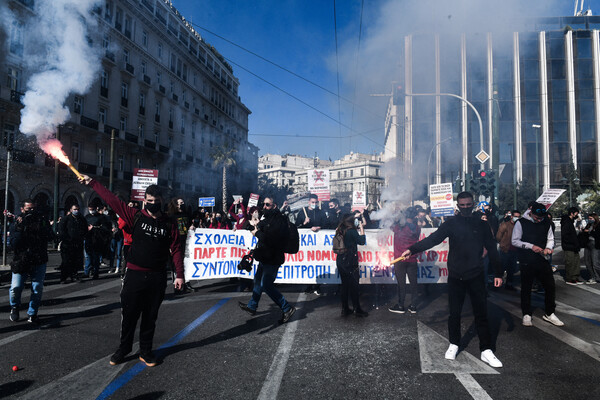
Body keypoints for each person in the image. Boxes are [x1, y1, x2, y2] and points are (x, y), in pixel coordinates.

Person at [79, 174, 184, 367]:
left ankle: (145, 351)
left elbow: (176, 249)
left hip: (157, 277)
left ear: (162, 202)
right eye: (150, 201)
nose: (153, 204)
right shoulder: (133, 215)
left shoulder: (170, 223)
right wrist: (93, 182)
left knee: (150, 317)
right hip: (134, 274)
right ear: (144, 201)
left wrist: (179, 275)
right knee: (129, 315)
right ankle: (124, 348)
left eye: (157, 201)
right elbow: (111, 199)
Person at [401, 191, 503, 368]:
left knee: (481, 313)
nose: (465, 208)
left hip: (476, 274)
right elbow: (433, 239)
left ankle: (486, 350)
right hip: (456, 275)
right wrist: (412, 249)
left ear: (473, 204)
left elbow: (492, 249)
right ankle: (454, 344)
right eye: (462, 205)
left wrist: (499, 273)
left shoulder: (482, 224)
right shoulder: (450, 224)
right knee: (454, 313)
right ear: (458, 206)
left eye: (468, 205)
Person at [238, 197, 296, 323]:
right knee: (257, 281)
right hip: (264, 256)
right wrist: (250, 225)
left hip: (273, 258)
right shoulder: (268, 218)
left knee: (267, 285)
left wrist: (257, 233)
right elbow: (259, 227)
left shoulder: (279, 221)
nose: (264, 207)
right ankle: (252, 306)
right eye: (263, 204)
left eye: (267, 204)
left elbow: (272, 240)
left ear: (274, 206)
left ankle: (287, 308)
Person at [511, 202, 564, 327]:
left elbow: (551, 238)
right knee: (526, 287)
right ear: (531, 212)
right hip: (526, 260)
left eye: (541, 217)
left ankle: (550, 312)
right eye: (536, 217)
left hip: (542, 259)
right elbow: (515, 241)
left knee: (550, 286)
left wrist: (548, 247)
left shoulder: (546, 223)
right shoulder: (521, 223)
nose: (539, 219)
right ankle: (526, 313)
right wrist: (530, 246)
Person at [8, 199, 53, 323]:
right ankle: (14, 307)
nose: (31, 212)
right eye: (28, 209)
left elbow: (51, 237)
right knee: (16, 287)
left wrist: (41, 228)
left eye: (34, 209)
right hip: (21, 259)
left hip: (38, 258)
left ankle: (33, 312)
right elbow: (12, 244)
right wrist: (20, 229)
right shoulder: (16, 223)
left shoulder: (42, 221)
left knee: (37, 287)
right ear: (22, 209)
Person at [335, 213, 368, 317]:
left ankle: (345, 309)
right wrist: (361, 228)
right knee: (354, 286)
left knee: (344, 286)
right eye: (355, 219)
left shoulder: (340, 229)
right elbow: (362, 241)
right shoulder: (352, 231)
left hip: (340, 260)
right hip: (350, 261)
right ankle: (356, 309)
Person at [389, 207, 420, 314]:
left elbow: (389, 224)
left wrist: (394, 215)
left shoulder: (399, 227)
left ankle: (401, 305)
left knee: (401, 283)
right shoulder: (417, 228)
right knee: (414, 283)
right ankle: (414, 306)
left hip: (399, 259)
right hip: (412, 259)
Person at [296, 194, 327, 295]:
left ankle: (317, 286)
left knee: (318, 263)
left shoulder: (321, 212)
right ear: (309, 202)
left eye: (316, 202)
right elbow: (297, 226)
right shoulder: (302, 213)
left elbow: (326, 224)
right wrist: (304, 224)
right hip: (307, 245)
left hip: (318, 243)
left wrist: (320, 227)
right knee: (307, 264)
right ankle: (308, 285)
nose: (314, 204)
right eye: (312, 202)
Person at [58, 204, 88, 283]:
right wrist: (66, 239)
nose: (76, 211)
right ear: (71, 210)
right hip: (67, 244)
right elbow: (61, 230)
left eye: (77, 209)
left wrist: (82, 237)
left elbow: (85, 229)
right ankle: (63, 277)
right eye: (75, 209)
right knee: (66, 261)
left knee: (76, 260)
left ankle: (74, 275)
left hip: (77, 243)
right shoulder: (66, 219)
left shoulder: (81, 219)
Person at [84, 201, 111, 279]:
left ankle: (95, 272)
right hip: (88, 238)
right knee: (88, 256)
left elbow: (105, 228)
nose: (91, 211)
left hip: (97, 240)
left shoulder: (101, 217)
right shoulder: (87, 217)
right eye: (89, 209)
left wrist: (95, 228)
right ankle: (87, 271)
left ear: (96, 209)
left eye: (92, 209)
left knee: (95, 257)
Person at [496, 210, 521, 291]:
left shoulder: (520, 226)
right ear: (511, 217)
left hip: (515, 250)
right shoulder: (505, 225)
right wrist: (503, 244)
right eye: (515, 216)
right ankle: (497, 284)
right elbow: (498, 237)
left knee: (511, 269)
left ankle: (509, 284)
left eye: (518, 216)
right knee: (501, 268)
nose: (517, 218)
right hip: (505, 249)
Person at [561, 207, 584, 285]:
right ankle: (570, 278)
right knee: (570, 262)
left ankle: (575, 277)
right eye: (576, 213)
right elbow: (565, 235)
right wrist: (573, 243)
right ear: (572, 213)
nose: (577, 215)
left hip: (574, 246)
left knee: (576, 262)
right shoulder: (566, 222)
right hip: (569, 246)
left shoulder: (570, 221)